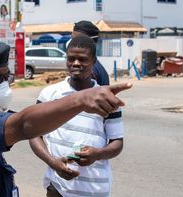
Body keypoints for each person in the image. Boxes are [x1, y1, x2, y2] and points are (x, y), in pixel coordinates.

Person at [0, 42, 131, 197]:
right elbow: (23, 124)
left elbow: (28, 120)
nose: (3, 86)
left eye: (6, 78)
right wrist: (81, 99)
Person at [30, 35, 124, 197]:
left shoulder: (106, 98)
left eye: (83, 59)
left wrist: (98, 154)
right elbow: (34, 135)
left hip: (95, 190)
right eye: (71, 58)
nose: (76, 63)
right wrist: (53, 163)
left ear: (94, 62)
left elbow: (117, 143)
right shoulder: (49, 94)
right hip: (58, 188)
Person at [66, 20, 110, 86]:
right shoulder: (93, 65)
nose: (72, 42)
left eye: (76, 39)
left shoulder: (88, 71)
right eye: (71, 38)